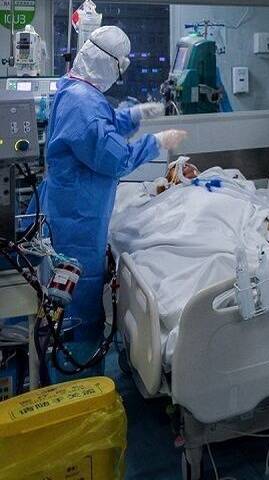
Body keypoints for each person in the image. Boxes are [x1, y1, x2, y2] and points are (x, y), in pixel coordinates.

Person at [37, 26, 187, 376]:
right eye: (120, 68)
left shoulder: (73, 88)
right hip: (78, 220)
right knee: (78, 301)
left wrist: (136, 114)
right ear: (106, 63)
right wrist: (157, 142)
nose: (119, 77)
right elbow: (114, 157)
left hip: (71, 207)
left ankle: (74, 367)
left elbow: (102, 125)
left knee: (71, 296)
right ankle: (77, 378)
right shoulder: (83, 103)